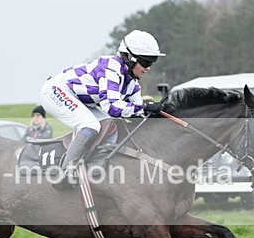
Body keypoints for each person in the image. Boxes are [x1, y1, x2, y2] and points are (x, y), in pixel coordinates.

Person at [39, 30, 164, 185]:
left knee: (108, 125)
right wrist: (143, 107)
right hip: (56, 90)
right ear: (130, 57)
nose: (148, 68)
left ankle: (92, 162)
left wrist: (157, 113)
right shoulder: (111, 68)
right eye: (145, 63)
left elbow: (138, 115)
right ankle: (66, 171)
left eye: (151, 63)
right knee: (91, 125)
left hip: (80, 99)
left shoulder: (132, 83)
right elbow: (112, 107)